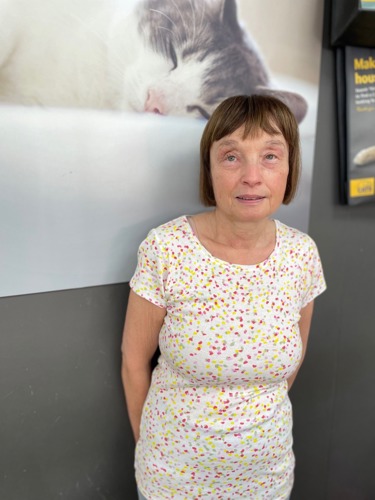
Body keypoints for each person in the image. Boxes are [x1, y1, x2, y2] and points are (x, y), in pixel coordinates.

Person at [121, 94, 326, 499]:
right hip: (174, 481)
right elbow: (133, 361)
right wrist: (153, 447)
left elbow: (292, 363)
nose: (252, 176)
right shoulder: (167, 249)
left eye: (270, 156)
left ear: (289, 167)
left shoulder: (302, 255)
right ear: (209, 168)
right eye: (232, 156)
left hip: (267, 479)